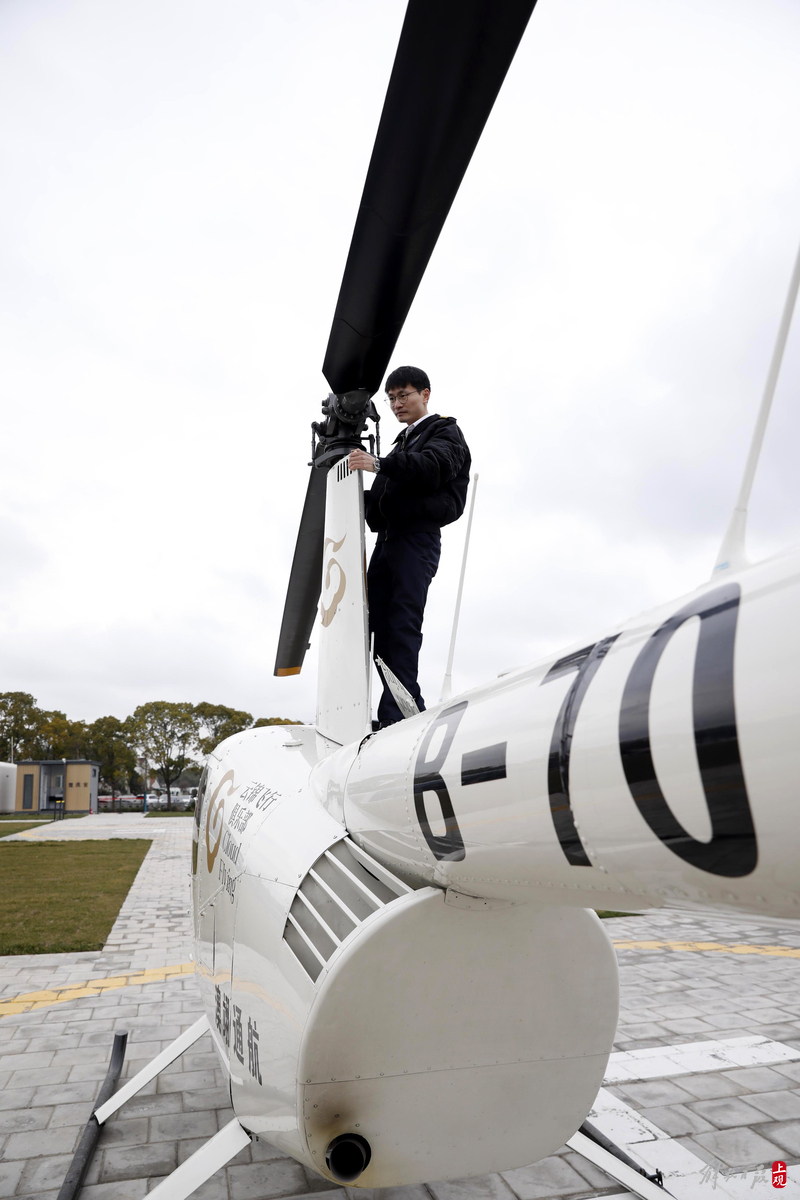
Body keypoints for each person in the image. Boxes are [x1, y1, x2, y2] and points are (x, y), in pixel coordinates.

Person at [348, 366, 471, 727]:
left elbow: (433, 467)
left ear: (425, 394)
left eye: (404, 395)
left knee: (401, 624)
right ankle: (390, 710)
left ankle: (399, 716)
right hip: (386, 542)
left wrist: (380, 464)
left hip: (415, 541)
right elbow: (388, 497)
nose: (396, 404)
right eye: (391, 398)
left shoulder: (444, 431)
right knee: (374, 627)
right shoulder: (402, 443)